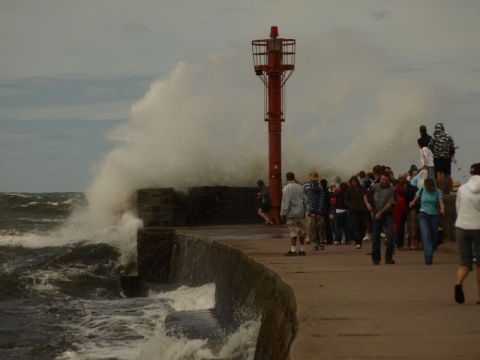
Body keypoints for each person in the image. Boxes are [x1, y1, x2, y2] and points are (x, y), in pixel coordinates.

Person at [453, 163, 480, 304]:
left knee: (465, 263)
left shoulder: (462, 189)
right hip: (478, 227)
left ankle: (458, 283)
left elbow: (458, 207)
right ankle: (479, 296)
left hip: (462, 226)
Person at [409, 178, 445, 265]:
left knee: (434, 236)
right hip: (423, 214)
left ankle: (430, 250)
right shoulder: (422, 190)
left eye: (429, 188)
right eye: (426, 187)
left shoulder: (437, 191)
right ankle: (428, 258)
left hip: (434, 215)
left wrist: (442, 209)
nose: (427, 189)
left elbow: (441, 202)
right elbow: (415, 199)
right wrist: (412, 202)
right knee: (426, 235)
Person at [364, 172, 396, 265]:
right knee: (376, 237)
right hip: (376, 213)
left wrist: (380, 213)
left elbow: (391, 203)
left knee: (390, 236)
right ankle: (376, 258)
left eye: (386, 180)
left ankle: (388, 258)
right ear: (380, 179)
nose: (384, 181)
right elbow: (365, 195)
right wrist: (368, 204)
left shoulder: (392, 189)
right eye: (382, 179)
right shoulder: (375, 187)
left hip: (387, 214)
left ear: (389, 180)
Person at [280, 172, 308, 256]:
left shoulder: (286, 188)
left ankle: (293, 250)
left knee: (293, 232)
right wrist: (304, 211)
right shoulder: (300, 187)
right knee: (302, 232)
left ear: (286, 178)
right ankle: (302, 250)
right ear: (294, 177)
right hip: (300, 212)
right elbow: (305, 200)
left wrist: (283, 213)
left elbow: (286, 202)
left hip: (291, 213)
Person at [428, 123, 455, 193]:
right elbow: (452, 147)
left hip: (437, 158)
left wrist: (435, 151)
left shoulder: (434, 138)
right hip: (446, 158)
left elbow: (430, 146)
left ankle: (440, 190)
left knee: (438, 173)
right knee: (448, 175)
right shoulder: (448, 136)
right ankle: (451, 190)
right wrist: (451, 155)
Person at [303, 171, 326, 250]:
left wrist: (314, 211)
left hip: (313, 210)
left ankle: (319, 242)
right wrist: (315, 211)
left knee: (318, 227)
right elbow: (310, 200)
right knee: (315, 227)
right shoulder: (318, 187)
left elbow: (309, 200)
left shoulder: (308, 187)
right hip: (314, 210)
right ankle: (317, 242)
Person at [345, 176, 368, 249]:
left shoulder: (363, 189)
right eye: (352, 182)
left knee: (363, 226)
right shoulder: (349, 190)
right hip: (353, 211)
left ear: (357, 182)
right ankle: (357, 242)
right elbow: (346, 200)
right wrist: (350, 206)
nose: (353, 183)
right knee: (356, 226)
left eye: (354, 182)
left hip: (362, 211)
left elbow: (367, 198)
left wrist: (364, 205)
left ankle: (360, 240)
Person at [393, 183, 408, 250]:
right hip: (400, 216)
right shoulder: (401, 199)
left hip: (393, 216)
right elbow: (404, 209)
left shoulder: (393, 198)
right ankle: (400, 245)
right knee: (400, 231)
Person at [320, 178, 334, 245]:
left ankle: (322, 239)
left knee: (321, 225)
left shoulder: (321, 192)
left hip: (322, 210)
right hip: (327, 209)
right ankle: (329, 239)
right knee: (327, 225)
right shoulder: (327, 192)